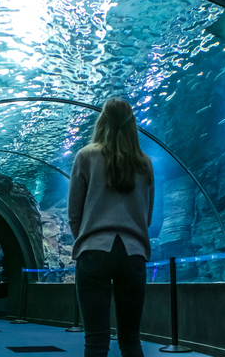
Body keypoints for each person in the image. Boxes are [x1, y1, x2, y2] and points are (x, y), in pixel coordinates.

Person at [68, 97, 155, 357]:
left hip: (94, 252)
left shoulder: (86, 156)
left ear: (102, 121)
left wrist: (87, 242)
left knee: (95, 342)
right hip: (133, 254)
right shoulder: (144, 163)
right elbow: (147, 217)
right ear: (132, 125)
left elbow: (74, 214)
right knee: (131, 340)